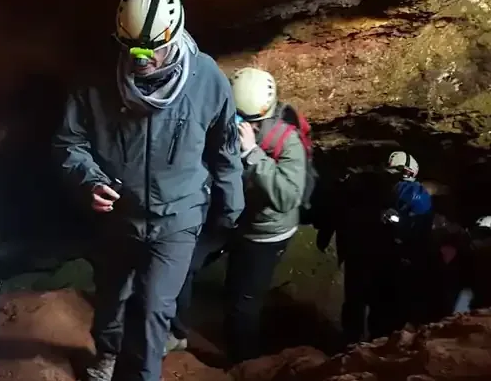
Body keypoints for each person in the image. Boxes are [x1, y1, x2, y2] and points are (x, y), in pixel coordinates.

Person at [53, 0, 243, 381]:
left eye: (151, 50)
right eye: (132, 49)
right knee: (113, 293)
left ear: (174, 36)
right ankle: (108, 351)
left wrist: (230, 208)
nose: (141, 60)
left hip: (178, 216)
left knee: (154, 308)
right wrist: (88, 179)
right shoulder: (97, 82)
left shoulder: (207, 80)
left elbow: (225, 150)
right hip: (120, 213)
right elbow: (68, 143)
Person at [169, 67, 307, 363]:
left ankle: (242, 365)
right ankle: (176, 332)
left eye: (249, 119)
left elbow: (287, 197)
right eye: (236, 115)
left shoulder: (287, 142)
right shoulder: (222, 121)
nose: (241, 123)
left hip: (264, 234)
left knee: (242, 304)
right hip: (231, 217)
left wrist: (252, 153)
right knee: (182, 264)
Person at [318, 151, 434, 344]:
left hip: (377, 257)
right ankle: (357, 341)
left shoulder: (410, 194)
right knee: (364, 304)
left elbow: (417, 231)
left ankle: (365, 341)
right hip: (369, 255)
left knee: (371, 305)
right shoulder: (374, 189)